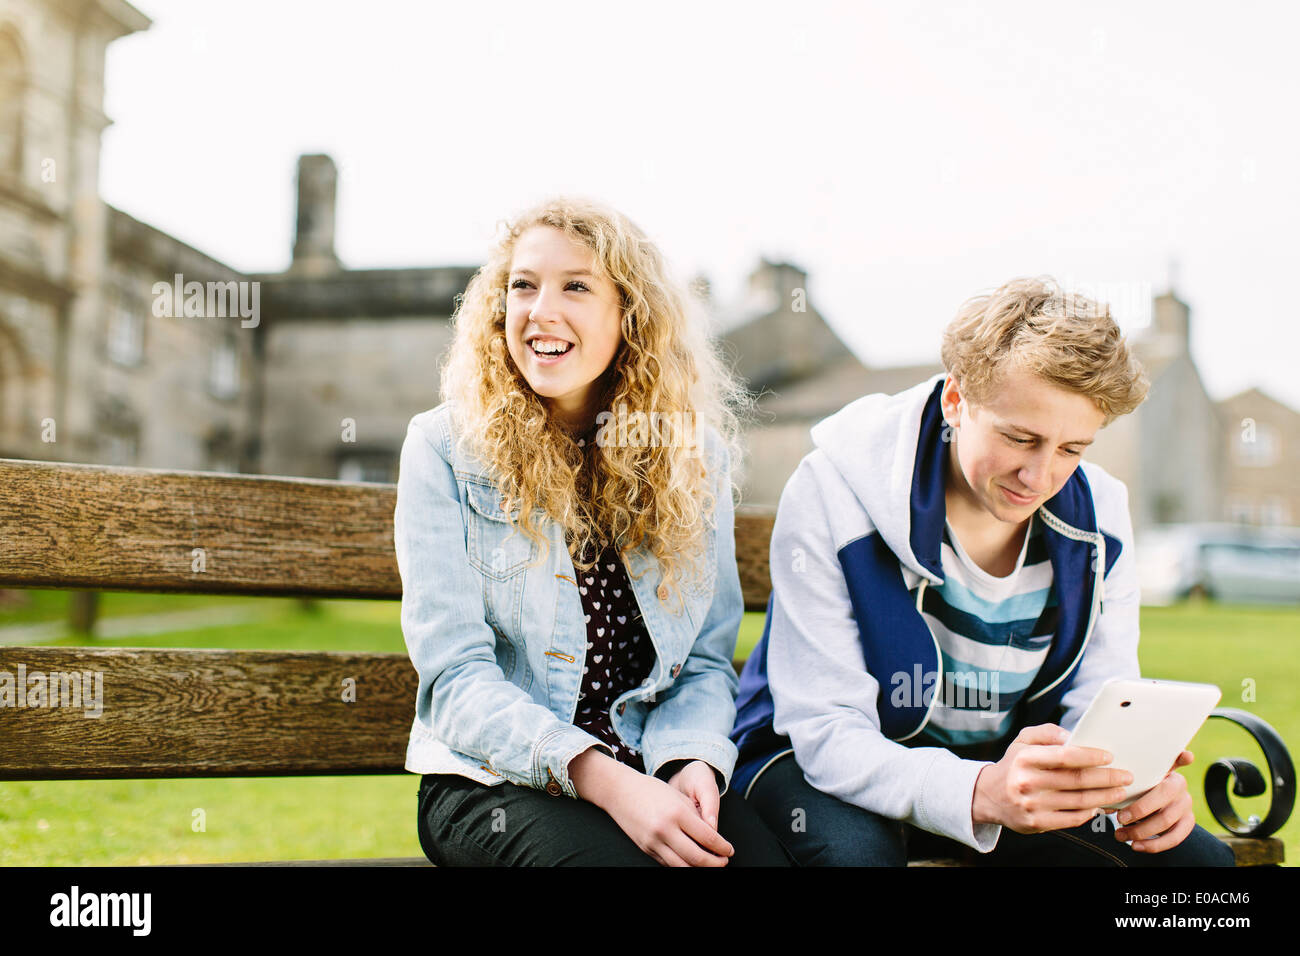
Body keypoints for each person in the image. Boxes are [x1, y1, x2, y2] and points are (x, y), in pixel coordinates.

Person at [730, 277, 1236, 866]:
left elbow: (1098, 700)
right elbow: (826, 728)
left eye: (1073, 448)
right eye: (1020, 438)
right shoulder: (834, 488)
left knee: (1195, 868)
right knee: (854, 859)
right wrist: (976, 792)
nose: (1041, 477)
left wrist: (1128, 782)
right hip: (815, 765)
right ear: (955, 400)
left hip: (1003, 774)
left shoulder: (1104, 516)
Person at [396, 197, 790, 866]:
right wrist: (606, 783)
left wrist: (691, 761)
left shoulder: (692, 458)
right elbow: (456, 678)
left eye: (575, 286)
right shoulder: (444, 447)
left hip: (650, 767)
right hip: (492, 781)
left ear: (630, 314)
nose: (540, 309)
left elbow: (701, 662)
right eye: (523, 285)